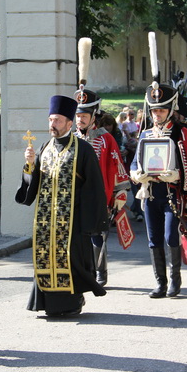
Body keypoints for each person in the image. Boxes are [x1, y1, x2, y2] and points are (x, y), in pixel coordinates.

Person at [15, 95, 108, 317]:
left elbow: (94, 187)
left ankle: (73, 301)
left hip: (72, 220)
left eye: (57, 120)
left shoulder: (83, 149)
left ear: (69, 123)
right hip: (46, 221)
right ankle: (47, 303)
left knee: (71, 260)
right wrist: (29, 165)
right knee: (46, 257)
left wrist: (90, 222)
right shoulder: (44, 148)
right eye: (50, 120)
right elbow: (33, 183)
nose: (52, 125)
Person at [130, 83, 187, 298]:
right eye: (154, 110)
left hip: (172, 195)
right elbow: (135, 162)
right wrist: (136, 174)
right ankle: (160, 282)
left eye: (161, 110)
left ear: (170, 110)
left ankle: (175, 280)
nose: (157, 114)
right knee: (154, 239)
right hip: (151, 193)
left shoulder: (181, 133)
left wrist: (178, 174)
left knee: (171, 236)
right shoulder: (145, 134)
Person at [73, 88, 130, 286]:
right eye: (78, 115)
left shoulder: (106, 139)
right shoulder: (72, 139)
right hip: (75, 196)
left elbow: (117, 166)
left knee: (97, 234)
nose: (79, 119)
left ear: (93, 116)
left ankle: (100, 270)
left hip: (99, 195)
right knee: (78, 235)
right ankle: (84, 270)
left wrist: (119, 192)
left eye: (83, 116)